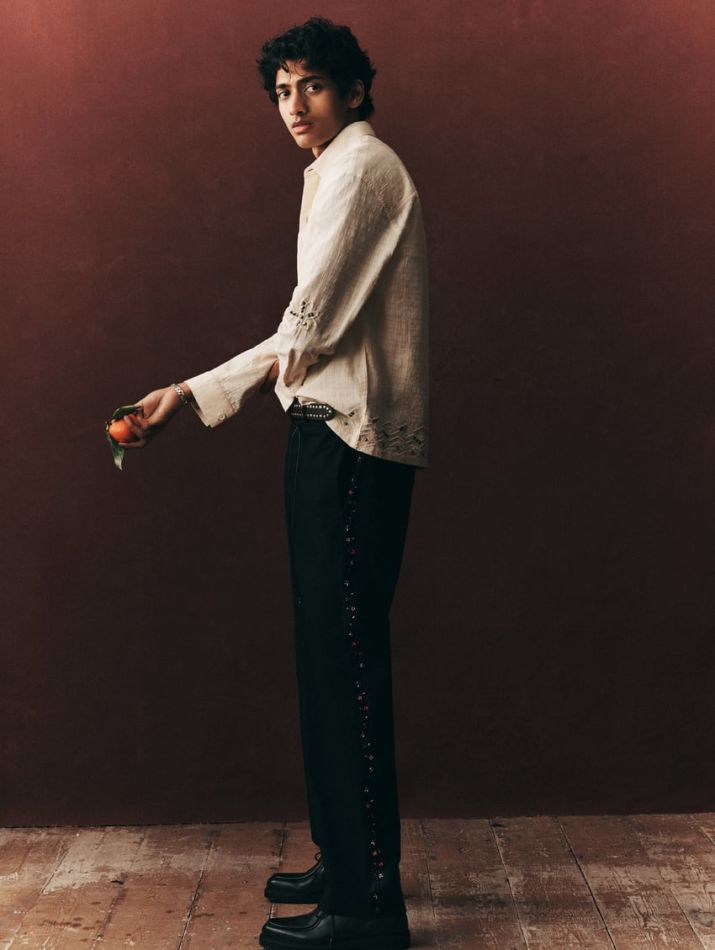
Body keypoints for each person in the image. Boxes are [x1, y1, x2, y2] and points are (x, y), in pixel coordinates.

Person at [115, 16, 428, 950]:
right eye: (282, 90)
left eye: (312, 86)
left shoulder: (363, 167)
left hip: (350, 443)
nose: (294, 105)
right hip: (324, 434)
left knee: (345, 664)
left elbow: (308, 326)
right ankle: (346, 858)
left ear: (355, 91)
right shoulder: (332, 170)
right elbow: (307, 332)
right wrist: (194, 391)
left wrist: (194, 392)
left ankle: (367, 908)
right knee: (325, 659)